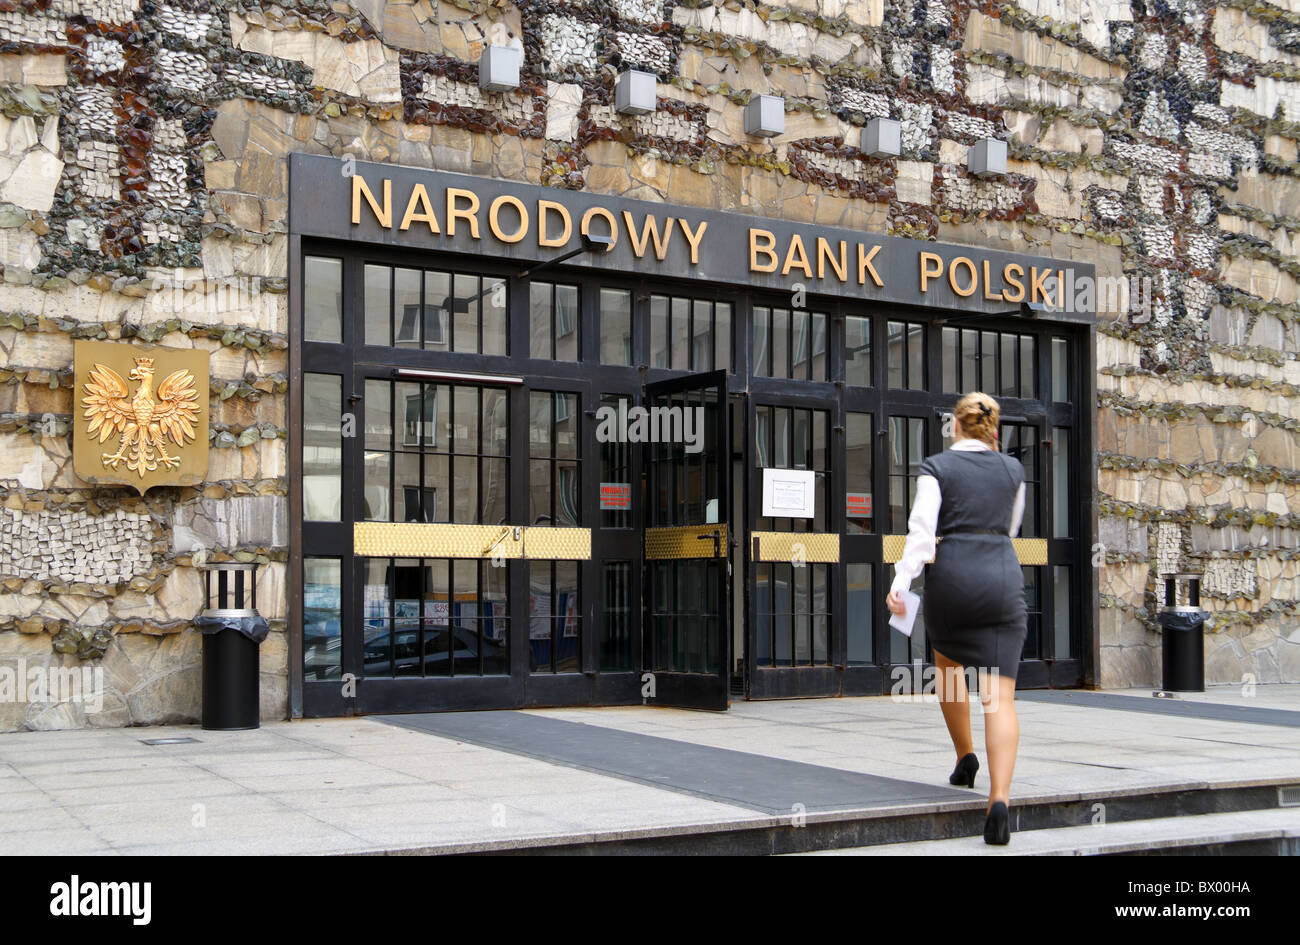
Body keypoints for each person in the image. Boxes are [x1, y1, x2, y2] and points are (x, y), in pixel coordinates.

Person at [885, 391, 1027, 845]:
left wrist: (902, 581)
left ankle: (966, 757)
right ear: (994, 430)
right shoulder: (1013, 470)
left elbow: (922, 531)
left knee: (947, 670)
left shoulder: (936, 468)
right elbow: (1012, 528)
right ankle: (999, 800)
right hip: (1001, 579)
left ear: (956, 427)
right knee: (999, 698)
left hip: (953, 580)